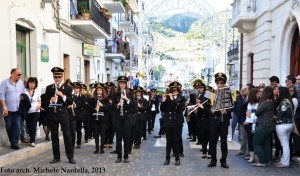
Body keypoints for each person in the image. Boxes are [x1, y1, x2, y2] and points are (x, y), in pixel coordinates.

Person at [44, 67, 75, 164]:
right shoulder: (49, 88)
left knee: (67, 135)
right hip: (53, 114)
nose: (57, 79)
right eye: (55, 77)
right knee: (54, 136)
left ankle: (70, 157)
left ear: (62, 77)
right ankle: (56, 157)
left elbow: (70, 101)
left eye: (59, 77)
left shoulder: (68, 87)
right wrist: (50, 100)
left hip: (63, 114)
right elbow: (44, 103)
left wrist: (62, 95)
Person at [208, 72, 233, 169]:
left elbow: (233, 107)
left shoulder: (229, 93)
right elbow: (206, 107)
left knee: (223, 141)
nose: (219, 84)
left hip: (224, 120)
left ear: (224, 83)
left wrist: (226, 111)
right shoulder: (211, 94)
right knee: (213, 141)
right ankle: (213, 160)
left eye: (221, 82)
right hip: (214, 120)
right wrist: (211, 110)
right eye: (218, 82)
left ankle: (224, 161)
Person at [160, 81, 186, 166]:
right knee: (169, 141)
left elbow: (180, 108)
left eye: (176, 89)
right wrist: (163, 101)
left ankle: (177, 158)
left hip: (177, 122)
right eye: (172, 89)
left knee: (176, 141)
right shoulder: (167, 97)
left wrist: (173, 99)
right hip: (168, 122)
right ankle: (167, 158)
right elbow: (163, 110)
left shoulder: (182, 98)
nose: (174, 90)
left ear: (178, 89)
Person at [112, 76, 136, 163]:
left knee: (126, 137)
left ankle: (126, 156)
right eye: (120, 83)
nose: (122, 85)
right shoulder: (115, 94)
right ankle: (119, 156)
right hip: (118, 118)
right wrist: (117, 105)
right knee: (118, 138)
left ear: (126, 84)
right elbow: (112, 107)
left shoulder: (131, 93)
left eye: (123, 83)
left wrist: (126, 99)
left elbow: (134, 105)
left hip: (127, 118)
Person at [0, 68, 25, 149]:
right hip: (8, 109)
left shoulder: (21, 83)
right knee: (9, 126)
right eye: (18, 74)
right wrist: (4, 107)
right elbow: (2, 95)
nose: (20, 76)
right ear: (12, 74)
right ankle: (12, 140)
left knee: (17, 126)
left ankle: (14, 143)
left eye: (20, 74)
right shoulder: (5, 82)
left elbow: (23, 93)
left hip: (18, 109)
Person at [253, 86, 275, 167]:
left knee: (256, 143)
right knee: (266, 144)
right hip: (269, 125)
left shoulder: (266, 102)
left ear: (265, 93)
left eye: (262, 92)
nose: (260, 93)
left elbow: (257, 112)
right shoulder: (271, 101)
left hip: (263, 125)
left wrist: (260, 103)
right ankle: (266, 161)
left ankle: (262, 161)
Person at [192, 79, 212, 159]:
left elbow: (210, 108)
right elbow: (199, 108)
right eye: (198, 88)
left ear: (204, 87)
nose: (199, 89)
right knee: (203, 137)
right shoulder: (198, 96)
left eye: (200, 87)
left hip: (208, 119)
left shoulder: (208, 95)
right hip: (201, 119)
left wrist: (202, 107)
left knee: (210, 137)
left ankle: (210, 152)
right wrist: (196, 110)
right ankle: (204, 152)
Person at [274, 87, 294, 167]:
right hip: (289, 124)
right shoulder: (289, 101)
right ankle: (283, 161)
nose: (277, 92)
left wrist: (275, 116)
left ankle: (285, 162)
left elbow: (282, 113)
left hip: (282, 125)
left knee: (284, 144)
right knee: (286, 144)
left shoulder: (284, 102)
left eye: (279, 91)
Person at [92, 83, 110, 154]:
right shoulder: (93, 99)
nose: (99, 92)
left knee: (102, 133)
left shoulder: (106, 99)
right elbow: (89, 109)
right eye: (97, 90)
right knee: (96, 134)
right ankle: (97, 148)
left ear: (102, 91)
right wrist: (95, 108)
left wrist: (102, 106)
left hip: (103, 118)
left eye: (100, 90)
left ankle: (102, 148)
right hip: (95, 118)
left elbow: (108, 109)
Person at [24, 77, 41, 147]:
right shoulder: (24, 91)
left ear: (35, 84)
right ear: (28, 83)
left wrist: (39, 105)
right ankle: (31, 138)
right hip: (28, 111)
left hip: (35, 110)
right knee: (28, 125)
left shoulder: (37, 91)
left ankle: (32, 141)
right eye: (30, 83)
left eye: (33, 83)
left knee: (33, 125)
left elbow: (39, 100)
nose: (32, 84)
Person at [244, 88, 259, 163]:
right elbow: (241, 111)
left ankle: (258, 155)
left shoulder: (260, 102)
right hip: (248, 123)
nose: (258, 95)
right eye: (257, 93)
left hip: (257, 123)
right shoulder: (248, 103)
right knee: (250, 140)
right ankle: (252, 156)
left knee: (256, 140)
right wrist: (244, 119)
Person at [104, 82, 116, 148]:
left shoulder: (114, 95)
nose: (108, 89)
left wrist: (111, 103)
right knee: (106, 128)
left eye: (110, 88)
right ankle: (105, 141)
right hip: (106, 113)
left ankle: (110, 141)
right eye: (107, 88)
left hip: (113, 113)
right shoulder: (104, 95)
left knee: (112, 128)